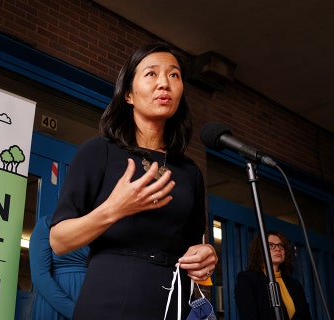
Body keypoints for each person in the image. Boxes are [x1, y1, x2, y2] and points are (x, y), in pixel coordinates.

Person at [48, 42, 218, 319]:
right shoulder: (99, 151)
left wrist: (206, 255)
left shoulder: (190, 172)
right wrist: (115, 209)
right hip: (110, 296)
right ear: (128, 94)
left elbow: (194, 246)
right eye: (151, 74)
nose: (164, 83)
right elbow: (58, 240)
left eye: (174, 75)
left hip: (171, 302)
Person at [235, 231, 312, 319]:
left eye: (280, 245)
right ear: (260, 250)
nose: (277, 249)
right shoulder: (248, 279)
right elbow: (249, 316)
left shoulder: (295, 284)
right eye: (271, 245)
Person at [29, 215, 89, 320]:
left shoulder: (97, 226)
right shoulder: (47, 223)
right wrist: (73, 311)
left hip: (90, 299)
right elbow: (39, 276)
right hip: (55, 303)